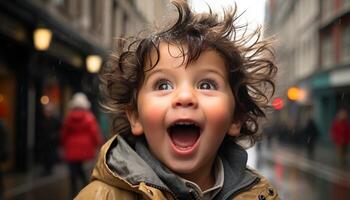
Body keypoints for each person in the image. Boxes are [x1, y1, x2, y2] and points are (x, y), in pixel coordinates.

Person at [76, 1, 279, 199]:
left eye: (206, 85)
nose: (184, 97)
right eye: (163, 85)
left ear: (235, 118)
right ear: (136, 117)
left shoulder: (260, 195)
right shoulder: (101, 196)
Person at [61, 92, 102, 197]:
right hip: (85, 149)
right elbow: (94, 133)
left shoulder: (69, 118)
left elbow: (64, 134)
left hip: (71, 149)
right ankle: (86, 191)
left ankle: (73, 193)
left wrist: (63, 145)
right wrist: (98, 144)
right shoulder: (89, 118)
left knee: (74, 171)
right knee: (83, 171)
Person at [36, 103, 61, 175]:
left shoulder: (55, 120)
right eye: (46, 111)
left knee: (50, 156)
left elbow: (59, 130)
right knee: (45, 156)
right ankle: (46, 168)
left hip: (52, 142)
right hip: (45, 142)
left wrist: (54, 136)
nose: (47, 113)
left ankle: (49, 168)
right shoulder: (42, 120)